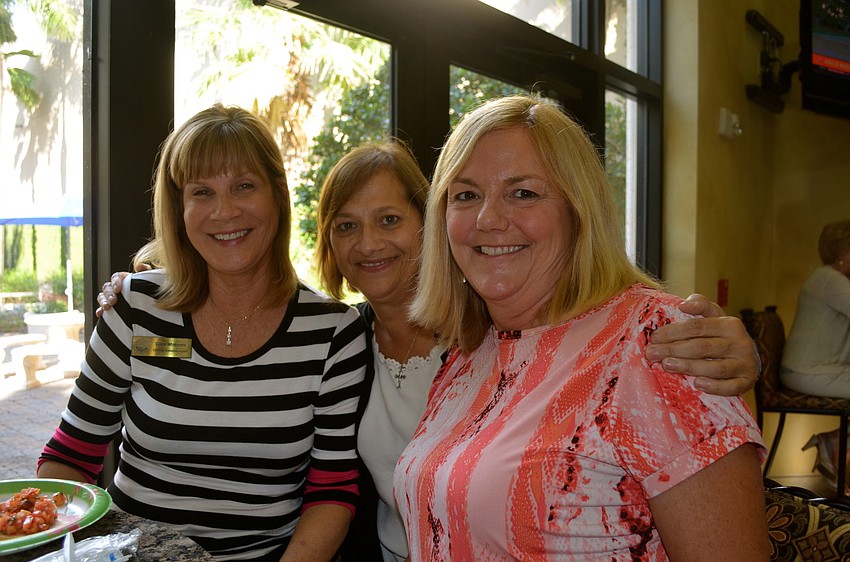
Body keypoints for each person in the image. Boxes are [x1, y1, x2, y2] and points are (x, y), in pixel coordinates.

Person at [97, 139, 762, 561]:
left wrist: (737, 355)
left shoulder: (488, 334)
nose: (370, 244)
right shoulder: (340, 340)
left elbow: (599, 358)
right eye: (347, 227)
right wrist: (141, 288)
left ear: (429, 225)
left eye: (390, 220)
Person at [396, 94, 770, 560]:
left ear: (579, 210)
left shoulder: (657, 342)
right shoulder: (468, 353)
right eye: (466, 195)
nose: (488, 219)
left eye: (524, 193)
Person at [37, 105, 369, 562]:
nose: (224, 211)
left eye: (244, 186)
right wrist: (61, 545)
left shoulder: (333, 333)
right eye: (202, 192)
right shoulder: (133, 308)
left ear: (278, 194)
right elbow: (72, 454)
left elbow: (332, 490)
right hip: (130, 553)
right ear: (180, 208)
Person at [780, 219, 850, 489]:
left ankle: (832, 442)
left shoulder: (831, 278)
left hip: (816, 369)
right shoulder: (829, 280)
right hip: (806, 372)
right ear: (844, 254)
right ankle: (833, 443)